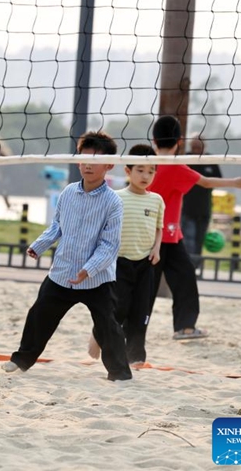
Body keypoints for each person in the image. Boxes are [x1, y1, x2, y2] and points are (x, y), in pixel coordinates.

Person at [3, 130, 132, 382]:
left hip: (97, 279)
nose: (87, 165)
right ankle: (21, 361)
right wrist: (38, 246)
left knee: (108, 326)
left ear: (109, 164)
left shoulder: (113, 202)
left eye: (94, 161)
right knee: (39, 315)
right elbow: (57, 227)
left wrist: (90, 268)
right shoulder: (68, 193)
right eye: (84, 159)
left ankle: (119, 373)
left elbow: (109, 245)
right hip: (62, 273)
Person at [147, 116, 241, 340]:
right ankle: (182, 328)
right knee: (177, 282)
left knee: (162, 282)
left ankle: (181, 328)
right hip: (164, 235)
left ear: (154, 140)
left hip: (160, 236)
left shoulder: (145, 164)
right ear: (179, 142)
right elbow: (205, 181)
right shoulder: (175, 167)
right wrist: (235, 182)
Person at [87, 144, 164, 365]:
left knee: (141, 313)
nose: (146, 176)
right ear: (128, 171)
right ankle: (97, 334)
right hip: (119, 262)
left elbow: (159, 228)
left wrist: (157, 248)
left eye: (151, 171)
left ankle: (136, 357)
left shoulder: (156, 200)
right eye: (140, 170)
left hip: (145, 263)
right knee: (118, 309)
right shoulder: (115, 197)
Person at [181, 134, 222, 261]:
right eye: (194, 146)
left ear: (204, 146)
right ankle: (189, 266)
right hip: (187, 209)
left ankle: (195, 267)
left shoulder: (210, 160)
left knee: (199, 241)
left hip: (204, 210)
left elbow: (218, 180)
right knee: (189, 241)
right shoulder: (185, 158)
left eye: (199, 146)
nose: (196, 148)